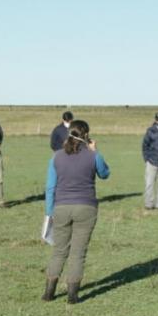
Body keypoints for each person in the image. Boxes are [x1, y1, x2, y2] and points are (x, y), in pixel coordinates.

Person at [41, 120, 111, 304]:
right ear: (86, 135)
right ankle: (72, 296)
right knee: (78, 253)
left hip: (61, 207)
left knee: (59, 251)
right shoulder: (93, 156)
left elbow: (50, 187)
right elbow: (105, 174)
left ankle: (48, 293)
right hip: (86, 208)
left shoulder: (56, 157)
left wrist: (49, 212)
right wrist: (95, 151)